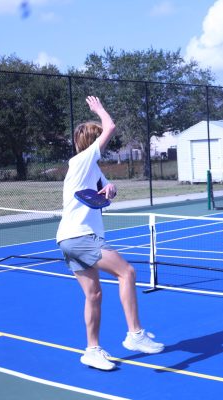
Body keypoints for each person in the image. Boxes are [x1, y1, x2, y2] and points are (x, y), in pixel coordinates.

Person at [56, 96, 164, 371]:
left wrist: (110, 190)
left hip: (69, 239)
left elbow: (102, 196)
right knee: (126, 272)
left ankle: (91, 350)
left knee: (93, 295)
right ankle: (135, 335)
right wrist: (99, 110)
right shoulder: (81, 160)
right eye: (100, 139)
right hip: (80, 237)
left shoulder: (93, 170)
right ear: (93, 142)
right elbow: (111, 126)